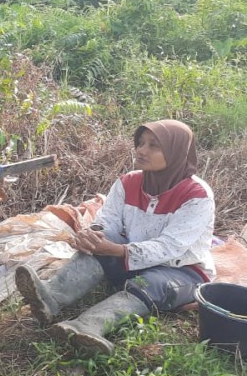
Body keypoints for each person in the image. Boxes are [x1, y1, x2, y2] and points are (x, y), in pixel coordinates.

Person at [16, 119, 215, 354]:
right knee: (100, 240)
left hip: (181, 270)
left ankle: (88, 326)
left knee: (150, 284)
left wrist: (118, 250)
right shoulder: (128, 182)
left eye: (153, 145)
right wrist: (93, 235)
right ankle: (51, 297)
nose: (141, 150)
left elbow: (169, 247)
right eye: (140, 143)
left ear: (176, 152)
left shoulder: (196, 195)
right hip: (132, 256)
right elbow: (107, 220)